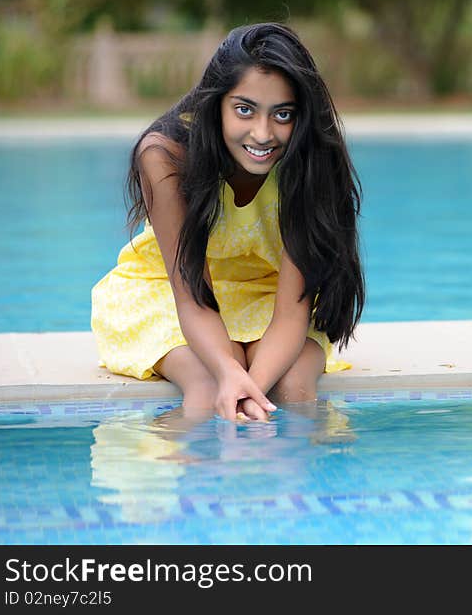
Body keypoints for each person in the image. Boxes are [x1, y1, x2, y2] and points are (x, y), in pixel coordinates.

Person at [91, 22, 364, 423]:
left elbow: (290, 314)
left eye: (283, 114)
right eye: (244, 110)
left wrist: (249, 386)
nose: (262, 133)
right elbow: (191, 298)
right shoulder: (167, 156)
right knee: (206, 384)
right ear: (215, 104)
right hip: (167, 293)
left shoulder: (309, 163)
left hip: (272, 297)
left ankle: (299, 483)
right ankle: (192, 480)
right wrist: (228, 373)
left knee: (293, 386)